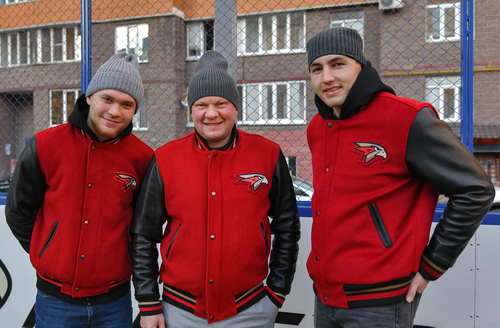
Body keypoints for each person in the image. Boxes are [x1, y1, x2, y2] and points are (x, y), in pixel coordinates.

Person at [305, 27, 494, 328]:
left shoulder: (408, 118)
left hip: (381, 303)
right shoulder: (317, 127)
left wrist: (433, 266)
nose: (326, 77)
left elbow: (475, 189)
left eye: (337, 64)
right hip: (326, 296)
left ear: (360, 66)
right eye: (317, 69)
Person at [130, 50, 301, 328]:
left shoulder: (267, 154)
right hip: (180, 311)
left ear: (236, 107)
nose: (211, 114)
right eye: (201, 105)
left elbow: (287, 226)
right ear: (191, 110)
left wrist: (277, 292)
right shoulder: (165, 158)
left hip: (250, 310)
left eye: (221, 103)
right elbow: (143, 235)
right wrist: (149, 303)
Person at [5, 52, 154, 328]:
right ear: (89, 97)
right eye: (107, 99)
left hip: (115, 302)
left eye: (126, 104)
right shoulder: (46, 145)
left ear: (135, 110)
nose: (114, 111)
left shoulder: (143, 158)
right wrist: (48, 249)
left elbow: (143, 227)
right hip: (55, 301)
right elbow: (18, 211)